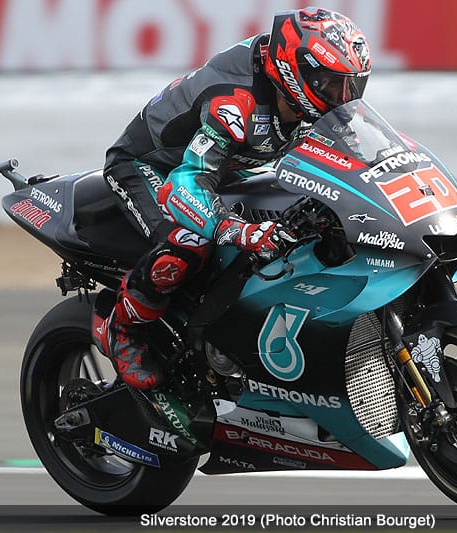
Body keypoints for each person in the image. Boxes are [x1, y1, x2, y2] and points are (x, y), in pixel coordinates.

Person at [96, 7, 372, 399]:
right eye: (331, 84)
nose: (343, 98)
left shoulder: (304, 98)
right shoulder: (235, 103)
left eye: (352, 86)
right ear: (296, 72)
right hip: (154, 168)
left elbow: (353, 156)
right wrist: (235, 230)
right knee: (187, 241)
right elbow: (185, 185)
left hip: (226, 168)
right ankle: (123, 327)